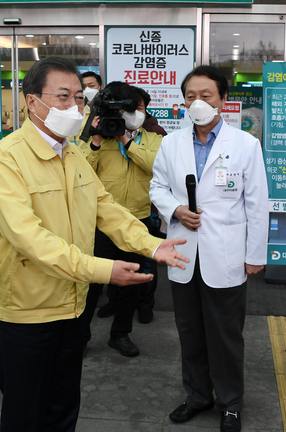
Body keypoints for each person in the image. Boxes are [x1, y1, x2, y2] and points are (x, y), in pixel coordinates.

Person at [0, 56, 187, 432]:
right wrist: (104, 270)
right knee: (26, 413)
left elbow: (105, 207)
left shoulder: (72, 152)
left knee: (62, 406)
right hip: (27, 312)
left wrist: (151, 245)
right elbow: (31, 240)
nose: (73, 107)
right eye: (61, 97)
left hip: (71, 307)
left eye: (78, 97)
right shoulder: (6, 161)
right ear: (31, 102)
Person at [150, 65, 268, 432]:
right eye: (190, 96)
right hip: (184, 252)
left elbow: (257, 203)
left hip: (227, 254)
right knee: (190, 333)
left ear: (223, 100)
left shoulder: (245, 144)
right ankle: (198, 395)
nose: (197, 102)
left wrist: (254, 256)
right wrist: (176, 210)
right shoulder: (171, 142)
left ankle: (230, 402)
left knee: (226, 336)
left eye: (206, 95)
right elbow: (157, 188)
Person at [79, 82, 162, 356]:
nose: (134, 113)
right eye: (129, 109)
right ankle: (80, 336)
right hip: (101, 223)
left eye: (139, 108)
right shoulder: (99, 138)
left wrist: (127, 141)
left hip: (138, 222)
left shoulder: (155, 140)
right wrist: (96, 141)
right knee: (92, 283)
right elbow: (80, 173)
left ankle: (120, 334)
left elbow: (156, 166)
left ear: (146, 111)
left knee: (131, 285)